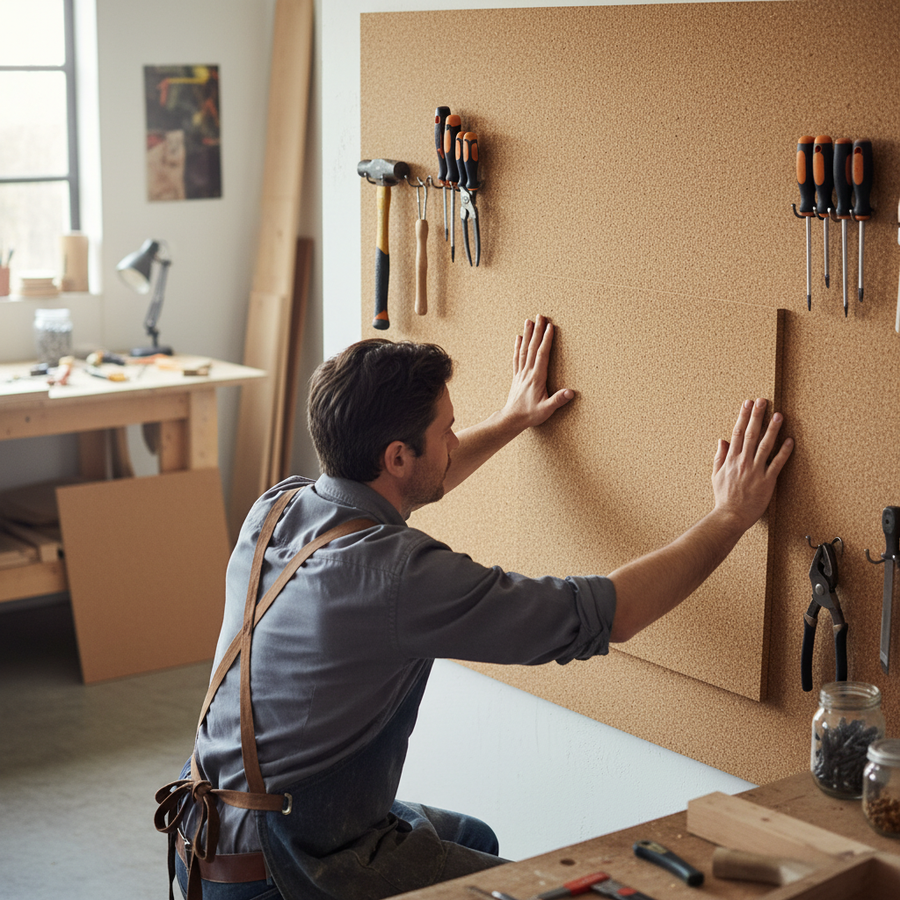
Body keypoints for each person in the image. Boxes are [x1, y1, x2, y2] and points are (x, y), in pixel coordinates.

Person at [156, 315, 793, 900]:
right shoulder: (395, 575)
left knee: (474, 838)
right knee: (528, 890)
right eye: (447, 430)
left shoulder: (282, 505)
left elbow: (405, 490)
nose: (456, 438)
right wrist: (731, 515)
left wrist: (515, 419)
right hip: (283, 869)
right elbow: (610, 613)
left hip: (206, 833)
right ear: (397, 456)